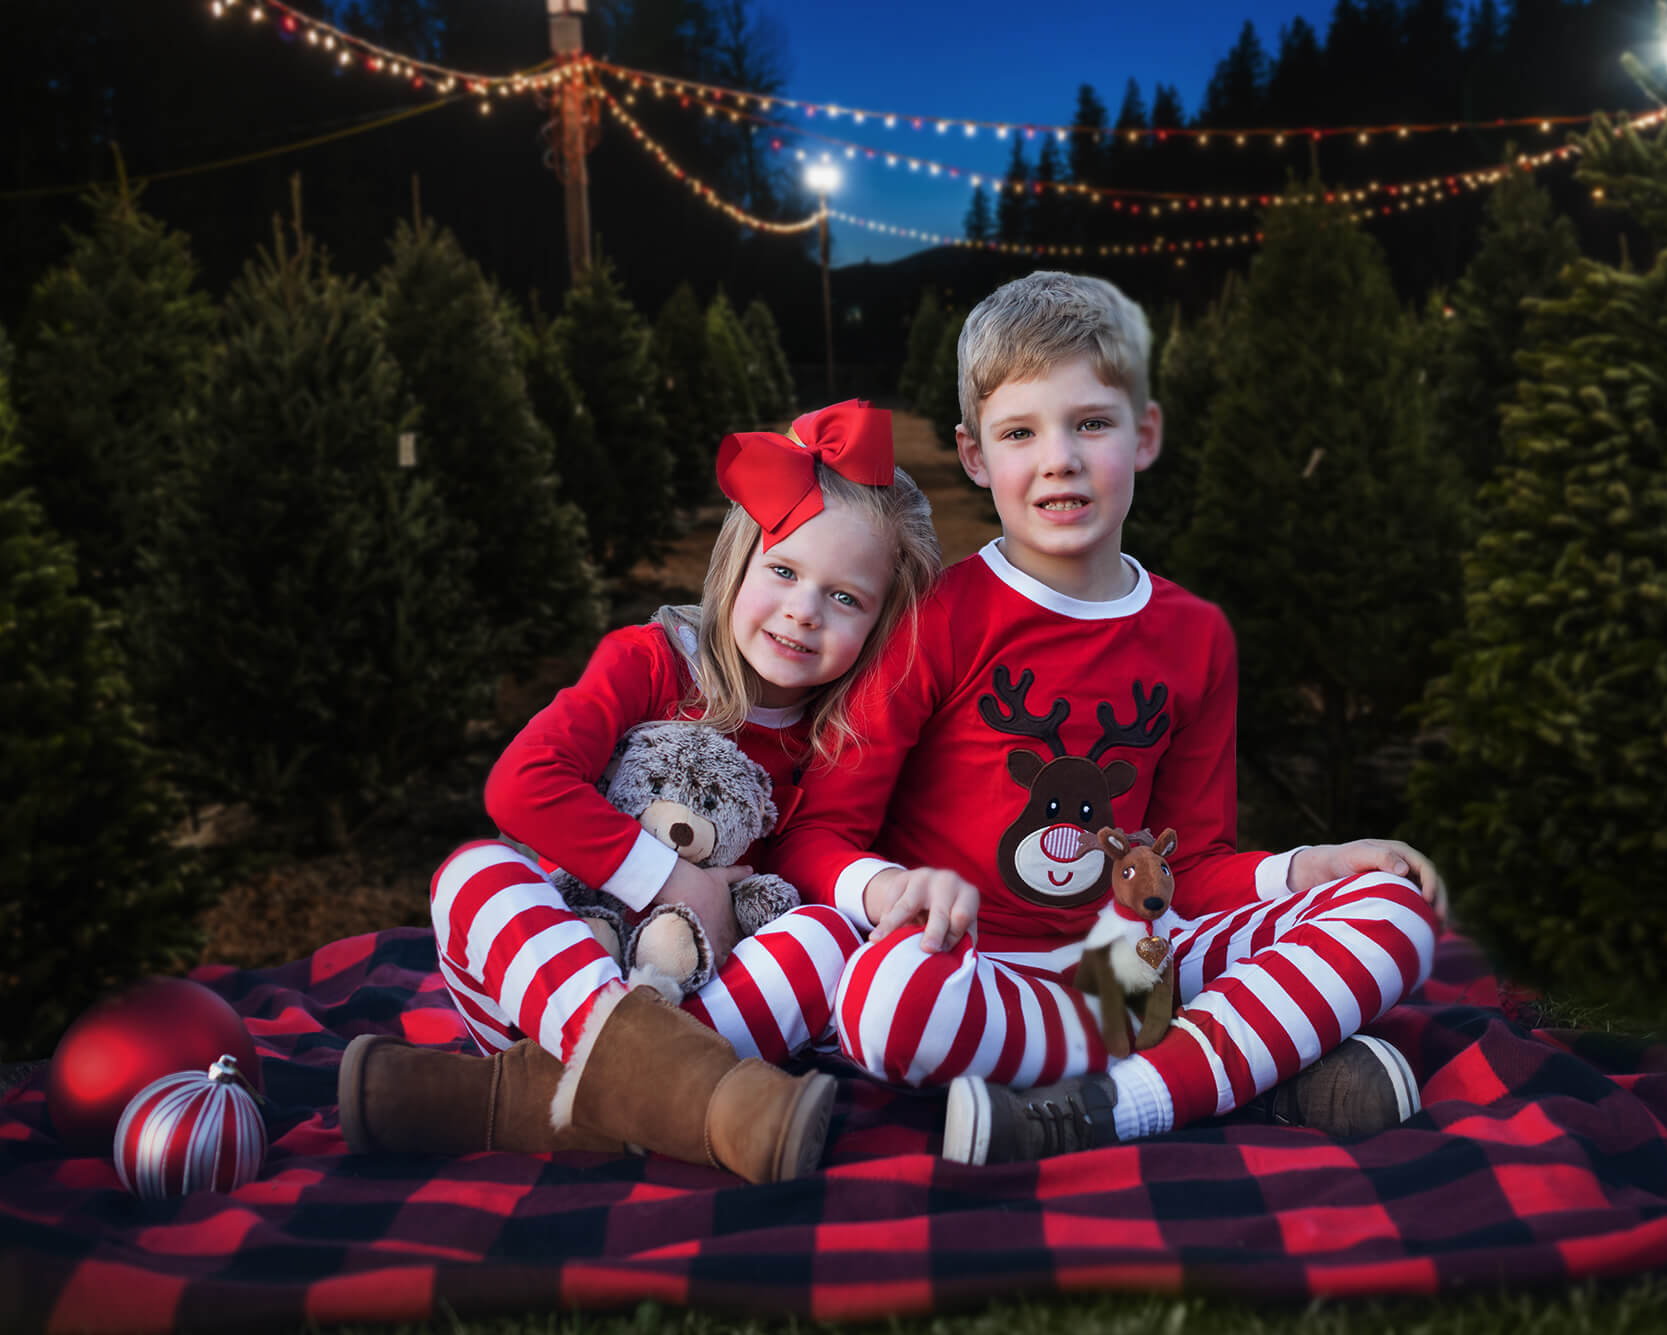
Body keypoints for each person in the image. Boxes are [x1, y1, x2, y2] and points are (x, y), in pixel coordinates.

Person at [766, 274, 1445, 1166]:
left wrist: (1304, 867)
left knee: (1394, 913)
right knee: (886, 1002)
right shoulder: (934, 616)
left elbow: (1188, 869)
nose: (1061, 460)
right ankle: (1238, 1065)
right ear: (974, 455)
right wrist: (888, 893)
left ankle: (1108, 1102)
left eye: (1091, 423)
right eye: (1021, 432)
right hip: (973, 973)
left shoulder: (1195, 635)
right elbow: (818, 832)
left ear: (1145, 433)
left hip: (1130, 966)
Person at [338, 400, 943, 1182]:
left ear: (881, 622)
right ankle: (703, 1102)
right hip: (548, 984)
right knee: (474, 873)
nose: (802, 610)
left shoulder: (838, 736)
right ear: (738, 561)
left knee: (829, 937)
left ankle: (517, 1101)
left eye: (845, 597)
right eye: (784, 571)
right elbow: (521, 784)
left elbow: (806, 862)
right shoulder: (651, 659)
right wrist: (679, 880)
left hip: (698, 995)